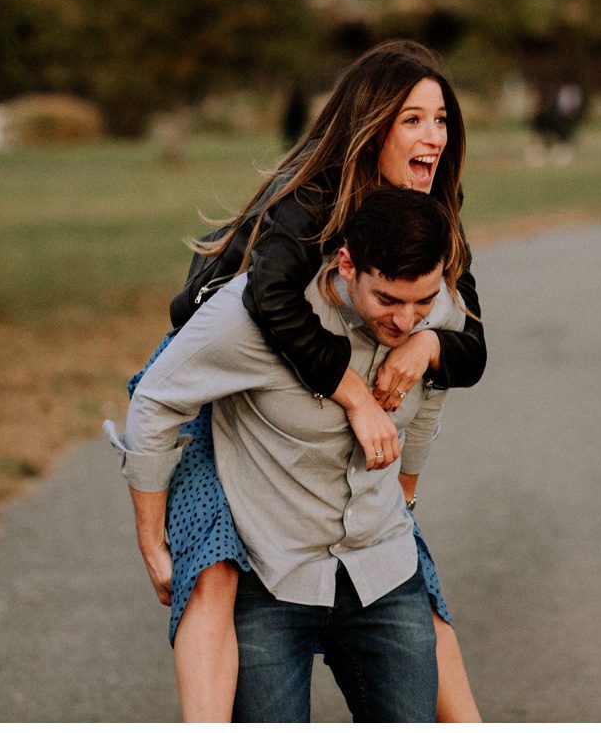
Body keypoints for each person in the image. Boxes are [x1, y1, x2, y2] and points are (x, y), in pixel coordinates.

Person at [121, 40, 484, 720]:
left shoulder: (427, 227)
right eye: (411, 119)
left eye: (440, 119)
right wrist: (352, 393)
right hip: (220, 382)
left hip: (349, 493)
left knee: (399, 555)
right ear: (371, 125)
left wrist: (428, 341)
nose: (432, 134)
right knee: (215, 571)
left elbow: (468, 349)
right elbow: (268, 304)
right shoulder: (310, 201)